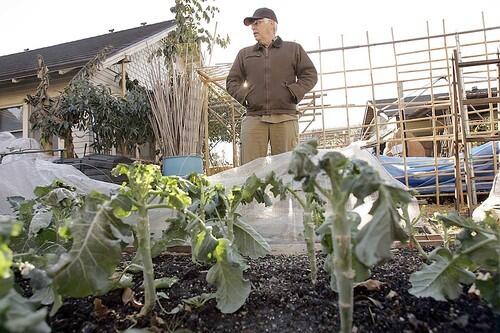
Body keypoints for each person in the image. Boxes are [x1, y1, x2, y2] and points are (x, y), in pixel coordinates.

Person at [226, 7, 318, 164]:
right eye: (252, 25)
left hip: (285, 117)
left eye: (257, 23)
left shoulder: (293, 49)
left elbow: (310, 75)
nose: (253, 27)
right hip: (254, 118)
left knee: (287, 169)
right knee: (250, 170)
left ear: (272, 25)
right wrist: (247, 97)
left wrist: (293, 92)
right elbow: (232, 81)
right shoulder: (244, 54)